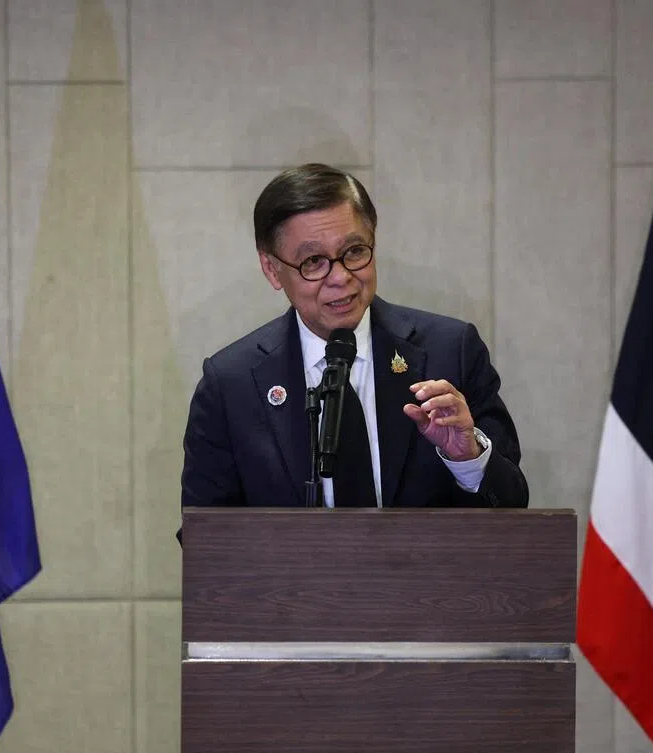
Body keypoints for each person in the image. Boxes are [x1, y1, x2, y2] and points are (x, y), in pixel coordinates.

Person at [180, 163, 529, 517]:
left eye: (354, 251)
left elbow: (512, 507)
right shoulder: (231, 385)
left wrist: (467, 459)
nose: (341, 277)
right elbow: (204, 534)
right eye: (313, 261)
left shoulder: (451, 352)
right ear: (272, 269)